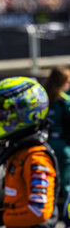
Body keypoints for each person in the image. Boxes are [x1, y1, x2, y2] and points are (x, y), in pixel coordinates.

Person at [0, 77, 59, 227]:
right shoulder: (20, 152)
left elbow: (39, 211)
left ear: (25, 115)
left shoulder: (36, 157)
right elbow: (18, 205)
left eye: (1, 113)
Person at [44, 66, 70, 207]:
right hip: (62, 147)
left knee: (49, 182)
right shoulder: (65, 101)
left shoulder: (42, 99)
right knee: (67, 187)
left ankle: (48, 211)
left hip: (44, 145)